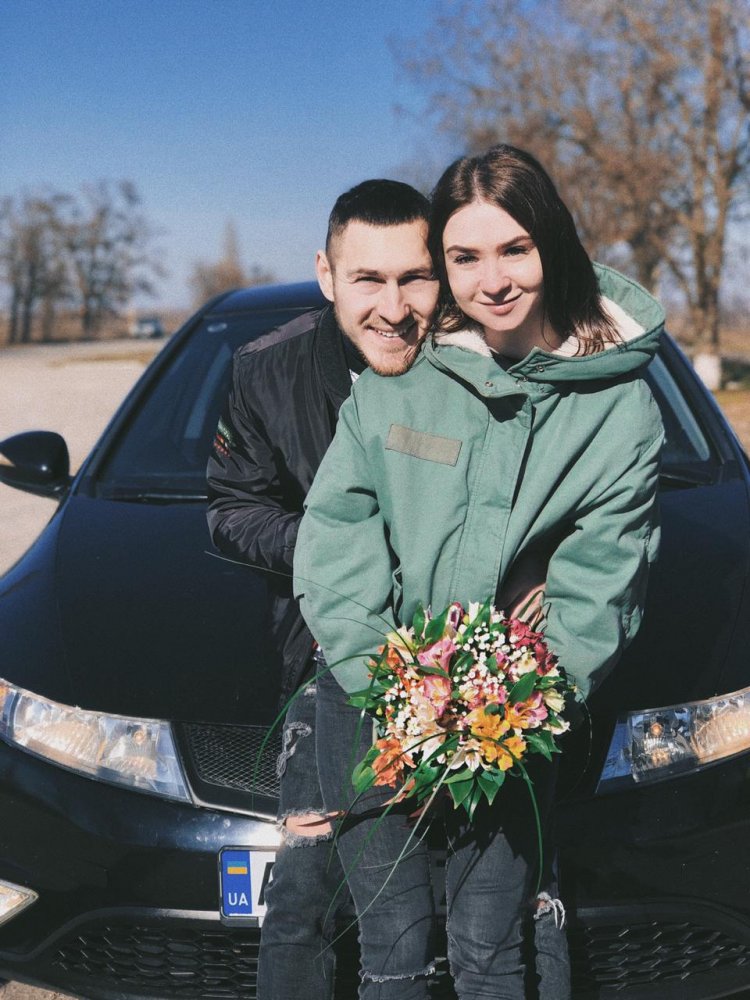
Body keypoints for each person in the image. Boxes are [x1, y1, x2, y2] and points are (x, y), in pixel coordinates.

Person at [294, 144, 665, 999]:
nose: (492, 281)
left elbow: (604, 581)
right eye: (464, 257)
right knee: (391, 952)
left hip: (510, 723)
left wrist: (512, 702)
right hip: (378, 708)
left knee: (492, 947)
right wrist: (398, 692)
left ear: (552, 244)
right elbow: (338, 535)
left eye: (515, 250)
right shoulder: (401, 377)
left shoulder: (618, 410)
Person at [206, 178, 439, 999]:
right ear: (327, 274)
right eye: (368, 278)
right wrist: (333, 550)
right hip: (322, 655)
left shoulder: (475, 365)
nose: (394, 307)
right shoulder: (265, 371)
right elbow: (231, 509)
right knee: (303, 889)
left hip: (454, 660)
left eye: (414, 278)